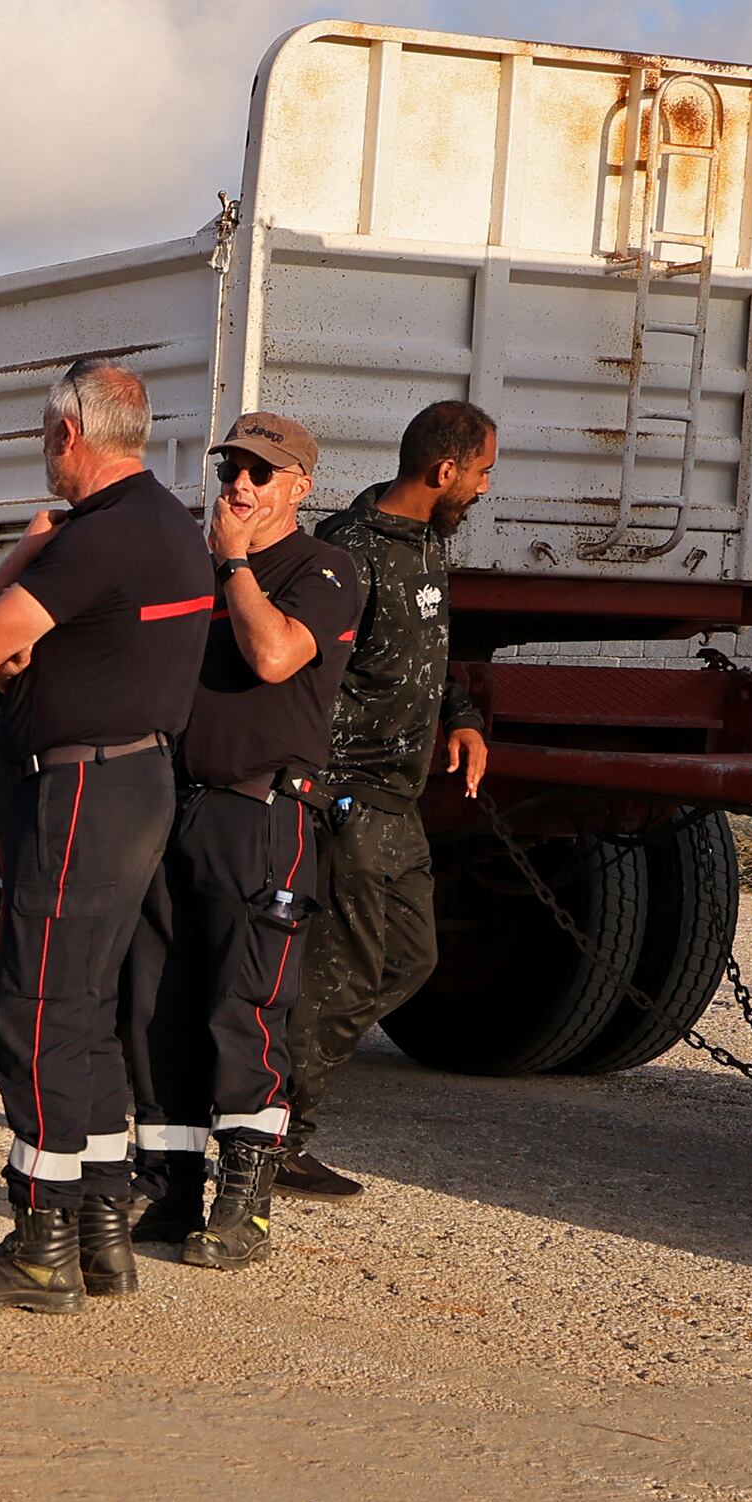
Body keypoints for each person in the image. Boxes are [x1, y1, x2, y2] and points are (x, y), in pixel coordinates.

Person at [0, 357, 215, 1309]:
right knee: (84, 1009)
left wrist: (19, 553)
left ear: (68, 436)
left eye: (44, 438)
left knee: (36, 1009)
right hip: (140, 779)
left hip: (83, 786)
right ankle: (100, 1230)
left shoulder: (91, 537)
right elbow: (107, 645)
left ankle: (40, 1245)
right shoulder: (175, 526)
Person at [122, 411, 362, 1270]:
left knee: (245, 1002)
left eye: (262, 472)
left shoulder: (325, 570)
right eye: (232, 468)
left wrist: (232, 564)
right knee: (158, 1002)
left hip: (262, 817)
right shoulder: (196, 568)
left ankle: (247, 1200)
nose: (240, 485)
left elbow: (272, 656)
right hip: (176, 806)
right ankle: (172, 1187)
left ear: (300, 486)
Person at [287, 401, 498, 1198]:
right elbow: (309, 671)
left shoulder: (427, 544)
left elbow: (432, 651)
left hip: (396, 799)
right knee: (345, 973)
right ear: (444, 472)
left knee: (411, 958)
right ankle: (272, 1134)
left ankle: (260, 1095)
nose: (482, 489)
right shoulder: (349, 551)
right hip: (349, 795)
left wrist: (462, 718)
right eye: (479, 473)